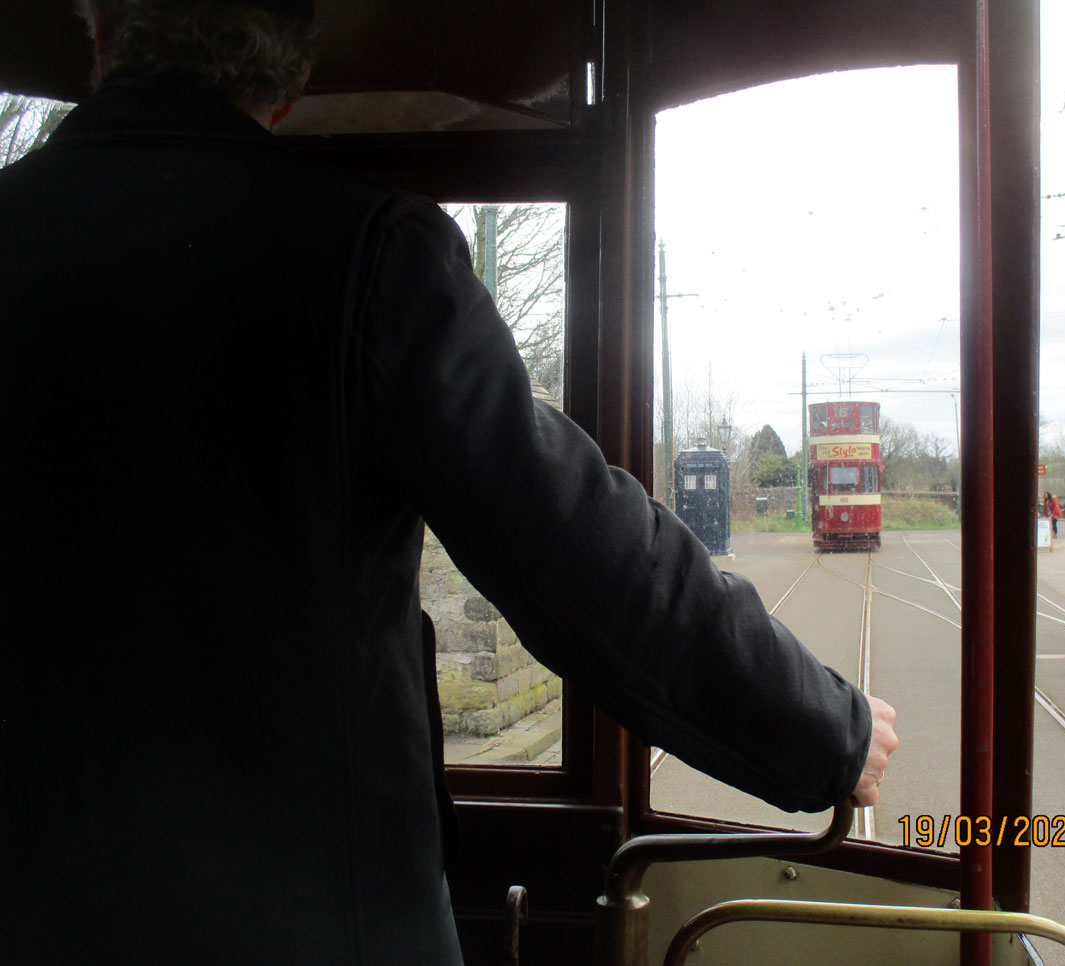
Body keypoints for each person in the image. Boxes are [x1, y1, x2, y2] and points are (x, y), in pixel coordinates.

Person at [0, 2, 898, 963]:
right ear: (291, 86)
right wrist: (823, 728)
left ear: (102, 40)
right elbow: (579, 551)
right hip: (325, 920)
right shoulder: (367, 253)